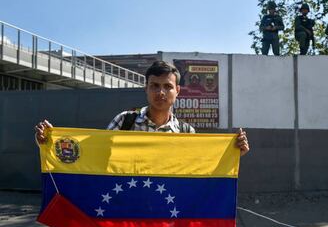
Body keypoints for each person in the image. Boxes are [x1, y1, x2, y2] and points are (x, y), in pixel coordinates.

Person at [35, 60, 249, 156]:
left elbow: (200, 169)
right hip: (125, 212)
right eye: (155, 86)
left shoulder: (186, 133)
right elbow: (93, 153)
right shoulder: (124, 121)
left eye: (167, 86)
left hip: (166, 216)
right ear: (146, 89)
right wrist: (51, 143)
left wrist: (233, 153)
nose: (161, 93)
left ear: (178, 91)